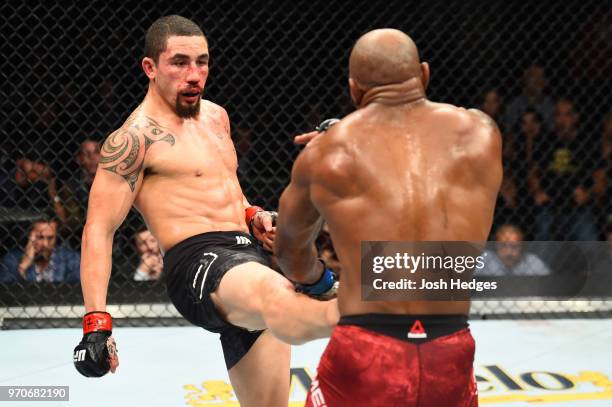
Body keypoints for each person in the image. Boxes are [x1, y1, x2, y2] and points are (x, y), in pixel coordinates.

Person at [72, 15, 337, 407]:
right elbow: (98, 229)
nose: (194, 74)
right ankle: (365, 311)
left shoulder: (216, 117)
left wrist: (254, 217)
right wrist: (96, 322)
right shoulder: (133, 140)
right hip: (198, 263)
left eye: (202, 61)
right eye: (179, 62)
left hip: (249, 258)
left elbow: (229, 194)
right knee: (281, 296)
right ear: (150, 68)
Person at [276, 29, 502, 406]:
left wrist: (321, 281)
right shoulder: (483, 133)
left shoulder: (325, 156)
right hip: (450, 352)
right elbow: (417, 151)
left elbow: (289, 255)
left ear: (353, 89)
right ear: (425, 74)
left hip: (367, 350)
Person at [1, 218, 80, 283]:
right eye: (40, 237)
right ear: (30, 236)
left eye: (50, 238)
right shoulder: (11, 259)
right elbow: (6, 296)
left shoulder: (72, 259)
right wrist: (23, 266)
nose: (45, 244)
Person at [480, 224, 551, 276]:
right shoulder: (485, 260)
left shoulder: (532, 262)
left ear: (522, 247)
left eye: (514, 247)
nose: (509, 252)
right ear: (495, 246)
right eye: (503, 246)